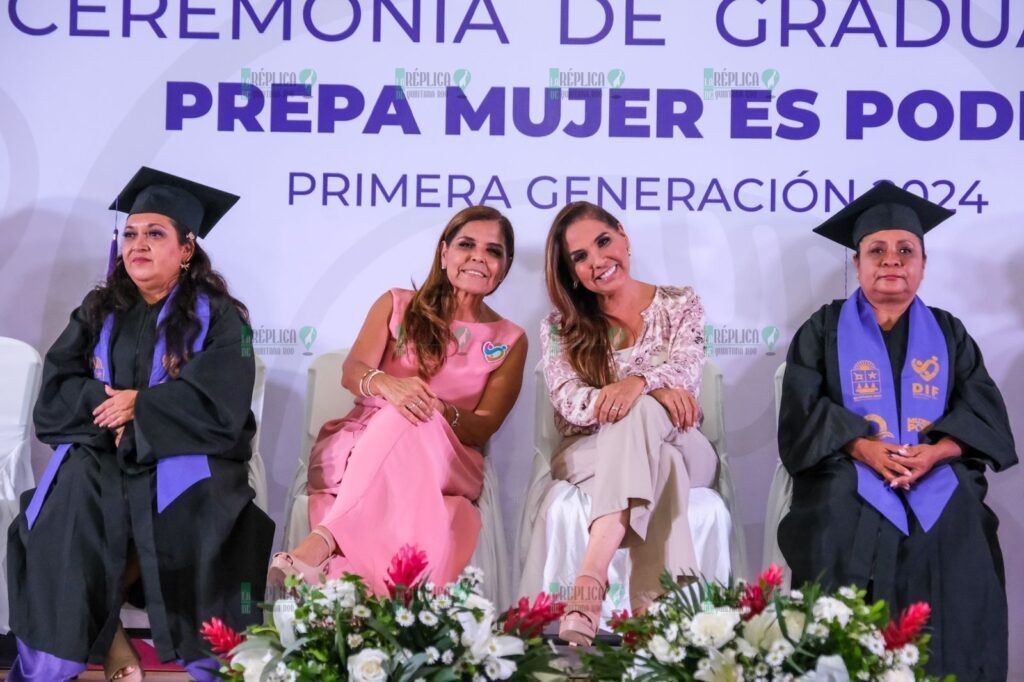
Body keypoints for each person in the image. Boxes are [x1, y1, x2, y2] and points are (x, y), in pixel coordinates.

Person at [6, 167, 274, 681]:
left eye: (155, 234)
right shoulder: (97, 309)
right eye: (130, 234)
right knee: (71, 502)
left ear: (187, 248)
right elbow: (57, 393)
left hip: (186, 454)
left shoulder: (220, 318)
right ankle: (78, 653)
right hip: (101, 452)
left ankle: (186, 655)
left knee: (194, 507)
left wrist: (144, 410)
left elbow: (225, 405)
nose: (138, 245)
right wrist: (111, 409)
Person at [777, 181, 1016, 680]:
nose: (891, 260)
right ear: (857, 263)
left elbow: (984, 414)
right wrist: (863, 447)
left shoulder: (949, 333)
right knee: (841, 511)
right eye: (876, 250)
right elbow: (802, 414)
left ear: (923, 265)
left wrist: (934, 453)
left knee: (959, 516)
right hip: (846, 468)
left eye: (905, 250)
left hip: (935, 469)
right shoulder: (821, 329)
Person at [269, 206, 526, 595]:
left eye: (493, 251)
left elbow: (486, 424)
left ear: (504, 268)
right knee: (403, 416)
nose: (478, 256)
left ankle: (323, 544)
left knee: (413, 414)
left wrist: (436, 409)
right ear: (444, 253)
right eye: (466, 245)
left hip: (450, 456)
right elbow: (352, 371)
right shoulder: (397, 304)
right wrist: (390, 386)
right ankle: (388, 610)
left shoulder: (509, 338)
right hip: (363, 443)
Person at [533, 201, 718, 646]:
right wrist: (650, 391)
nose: (597, 261)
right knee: (663, 461)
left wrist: (636, 385)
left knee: (654, 428)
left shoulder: (681, 302)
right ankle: (659, 621)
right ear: (570, 271)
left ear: (624, 236)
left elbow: (687, 374)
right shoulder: (560, 326)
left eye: (603, 241)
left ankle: (590, 580)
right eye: (579, 257)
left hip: (684, 438)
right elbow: (569, 400)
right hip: (589, 453)